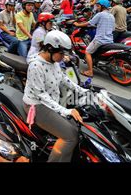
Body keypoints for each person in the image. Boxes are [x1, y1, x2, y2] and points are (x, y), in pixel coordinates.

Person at [23, 30, 88, 162]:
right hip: (37, 106)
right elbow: (41, 95)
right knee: (71, 136)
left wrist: (84, 91)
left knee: (79, 128)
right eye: (61, 53)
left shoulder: (54, 63)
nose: (63, 57)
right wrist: (65, 111)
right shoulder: (36, 65)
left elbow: (64, 79)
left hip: (52, 103)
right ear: (49, 49)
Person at [74, 0, 115, 77]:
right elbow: (113, 28)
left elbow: (89, 23)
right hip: (110, 39)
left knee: (88, 52)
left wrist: (77, 24)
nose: (97, 7)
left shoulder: (100, 14)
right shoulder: (111, 16)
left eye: (98, 6)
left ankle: (90, 71)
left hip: (100, 39)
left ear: (102, 7)